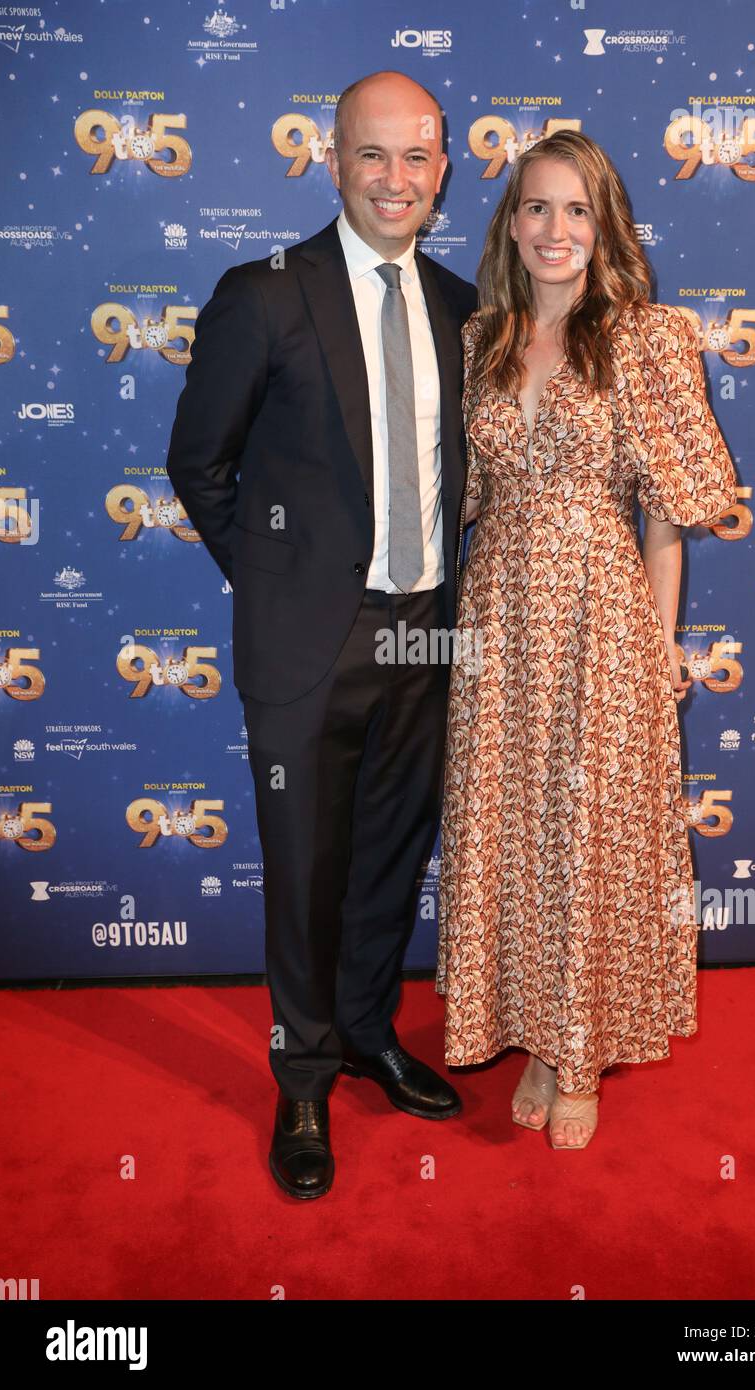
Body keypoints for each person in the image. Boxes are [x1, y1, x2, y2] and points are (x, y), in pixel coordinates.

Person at [166, 70, 477, 1200]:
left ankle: (364, 1030)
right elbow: (196, 465)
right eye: (373, 155)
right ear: (331, 161)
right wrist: (277, 586)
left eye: (418, 156)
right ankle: (299, 1075)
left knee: (390, 853)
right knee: (304, 870)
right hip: (308, 645)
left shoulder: (458, 304)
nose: (396, 178)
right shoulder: (262, 294)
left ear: (443, 169)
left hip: (426, 640)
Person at [436, 130, 737, 1150]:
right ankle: (532, 1032)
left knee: (585, 838)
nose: (552, 229)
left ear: (602, 224)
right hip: (495, 618)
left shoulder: (647, 338)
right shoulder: (479, 335)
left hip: (599, 615)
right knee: (509, 832)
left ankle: (578, 1055)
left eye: (574, 210)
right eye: (534, 208)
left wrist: (656, 653)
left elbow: (664, 523)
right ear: (508, 223)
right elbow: (456, 500)